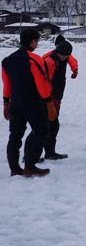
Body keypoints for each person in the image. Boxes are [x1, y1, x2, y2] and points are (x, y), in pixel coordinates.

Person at [3, 29, 57, 177]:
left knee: (15, 135)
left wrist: (6, 103)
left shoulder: (7, 60)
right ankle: (30, 166)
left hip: (15, 103)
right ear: (33, 41)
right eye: (37, 41)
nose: (37, 44)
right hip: (32, 102)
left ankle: (14, 168)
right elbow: (42, 82)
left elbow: (6, 84)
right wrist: (49, 103)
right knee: (42, 130)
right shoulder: (34, 59)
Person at [41, 36, 78, 160]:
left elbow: (72, 60)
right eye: (66, 56)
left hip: (55, 94)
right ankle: (31, 155)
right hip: (47, 97)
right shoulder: (49, 60)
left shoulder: (59, 57)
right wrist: (50, 99)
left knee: (53, 125)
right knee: (43, 126)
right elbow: (45, 81)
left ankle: (49, 152)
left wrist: (75, 69)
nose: (67, 58)